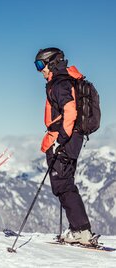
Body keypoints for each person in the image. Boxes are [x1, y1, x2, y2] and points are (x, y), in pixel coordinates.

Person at [35, 47, 93, 244]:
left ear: (52, 62)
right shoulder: (66, 81)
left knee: (63, 184)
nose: (39, 70)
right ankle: (77, 229)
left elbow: (69, 110)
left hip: (65, 139)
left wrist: (60, 140)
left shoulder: (59, 84)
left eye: (40, 64)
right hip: (72, 139)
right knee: (65, 183)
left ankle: (82, 231)